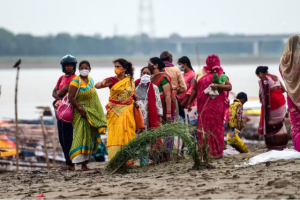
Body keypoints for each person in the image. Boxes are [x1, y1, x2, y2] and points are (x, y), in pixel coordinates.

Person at [187, 54, 232, 158]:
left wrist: (218, 86)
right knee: (209, 128)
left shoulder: (220, 75)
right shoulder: (202, 75)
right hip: (208, 107)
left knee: (212, 127)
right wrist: (189, 103)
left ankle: (213, 152)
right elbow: (194, 90)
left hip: (213, 107)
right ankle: (211, 152)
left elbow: (229, 87)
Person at [95, 58, 136, 163]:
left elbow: (134, 95)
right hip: (115, 112)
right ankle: (115, 160)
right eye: (115, 67)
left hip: (128, 110)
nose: (116, 69)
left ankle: (128, 160)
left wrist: (135, 102)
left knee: (128, 133)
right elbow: (97, 85)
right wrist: (104, 84)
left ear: (124, 69)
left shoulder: (130, 81)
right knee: (115, 134)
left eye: (118, 67)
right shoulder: (112, 80)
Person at [68, 60, 107, 171]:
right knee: (81, 137)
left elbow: (94, 98)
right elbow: (71, 97)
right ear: (78, 69)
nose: (84, 69)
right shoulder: (75, 81)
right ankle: (79, 163)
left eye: (86, 67)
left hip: (91, 114)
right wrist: (80, 109)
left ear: (89, 69)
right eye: (82, 67)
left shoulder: (90, 80)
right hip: (81, 114)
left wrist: (97, 114)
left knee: (89, 138)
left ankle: (85, 164)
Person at [52, 54, 77, 171]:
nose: (69, 68)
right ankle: (67, 161)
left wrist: (59, 95)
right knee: (61, 138)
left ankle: (71, 163)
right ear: (63, 67)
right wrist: (59, 95)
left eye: (71, 65)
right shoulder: (61, 78)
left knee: (68, 138)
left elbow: (59, 93)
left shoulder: (74, 79)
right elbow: (54, 92)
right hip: (60, 111)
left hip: (69, 112)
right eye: (67, 65)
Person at [149, 57, 177, 160]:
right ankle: (156, 154)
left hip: (164, 107)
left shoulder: (164, 77)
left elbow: (168, 95)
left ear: (156, 65)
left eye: (150, 64)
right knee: (155, 131)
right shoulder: (151, 77)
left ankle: (166, 155)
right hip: (154, 108)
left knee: (165, 130)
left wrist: (169, 112)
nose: (148, 66)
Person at [135, 67, 163, 165]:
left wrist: (159, 116)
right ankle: (135, 161)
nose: (145, 75)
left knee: (145, 138)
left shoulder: (154, 88)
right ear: (141, 74)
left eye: (148, 73)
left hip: (147, 116)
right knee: (135, 137)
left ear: (151, 76)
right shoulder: (134, 85)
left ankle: (144, 161)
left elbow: (158, 102)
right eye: (144, 73)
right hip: (135, 115)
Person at [256, 66, 288, 150]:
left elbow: (261, 93)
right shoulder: (276, 77)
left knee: (271, 123)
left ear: (260, 73)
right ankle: (282, 143)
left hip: (273, 104)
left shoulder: (264, 80)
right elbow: (283, 90)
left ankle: (273, 144)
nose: (259, 77)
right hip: (281, 102)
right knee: (280, 122)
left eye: (258, 75)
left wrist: (262, 101)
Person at [280, 35, 300, 152]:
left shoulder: (283, 60)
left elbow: (284, 76)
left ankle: (298, 147)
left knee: (296, 123)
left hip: (292, 95)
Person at [160, 51, 187, 120]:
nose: (172, 60)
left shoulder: (158, 70)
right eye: (171, 58)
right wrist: (174, 92)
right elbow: (183, 88)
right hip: (172, 98)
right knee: (174, 120)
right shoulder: (176, 70)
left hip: (159, 100)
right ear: (169, 58)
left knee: (161, 121)